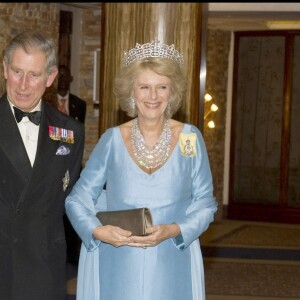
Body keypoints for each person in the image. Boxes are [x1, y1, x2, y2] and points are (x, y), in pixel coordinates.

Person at [65, 39, 218, 300]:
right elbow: (77, 199)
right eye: (144, 87)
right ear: (131, 91)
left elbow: (205, 203)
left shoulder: (189, 139)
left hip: (172, 259)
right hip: (119, 261)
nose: (153, 96)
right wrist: (97, 230)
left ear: (172, 92)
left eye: (161, 87)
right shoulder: (111, 140)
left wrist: (173, 230)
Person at [0, 31, 85, 300]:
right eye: (17, 72)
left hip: (44, 265)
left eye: (33, 75)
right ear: (4, 69)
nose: (23, 84)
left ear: (49, 78)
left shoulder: (70, 131)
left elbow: (71, 198)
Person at [57, 64, 87, 265]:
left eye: (66, 77)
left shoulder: (79, 104)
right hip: (54, 161)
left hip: (73, 162)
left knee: (73, 204)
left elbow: (78, 135)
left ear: (71, 79)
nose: (63, 81)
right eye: (60, 77)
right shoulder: (47, 103)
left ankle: (73, 253)